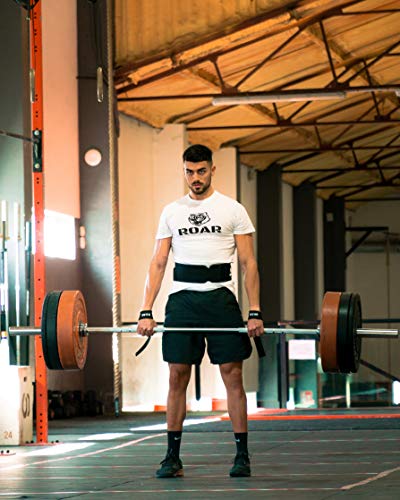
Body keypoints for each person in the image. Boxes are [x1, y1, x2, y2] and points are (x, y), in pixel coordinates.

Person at [137, 144, 264, 478]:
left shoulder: (232, 209)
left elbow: (249, 262)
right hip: (182, 301)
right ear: (184, 171)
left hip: (221, 298)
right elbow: (159, 261)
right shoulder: (171, 212)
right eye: (190, 172)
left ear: (212, 169)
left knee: (232, 375)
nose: (195, 178)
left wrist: (255, 311)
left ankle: (242, 456)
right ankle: (172, 458)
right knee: (177, 374)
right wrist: (145, 310)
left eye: (201, 171)